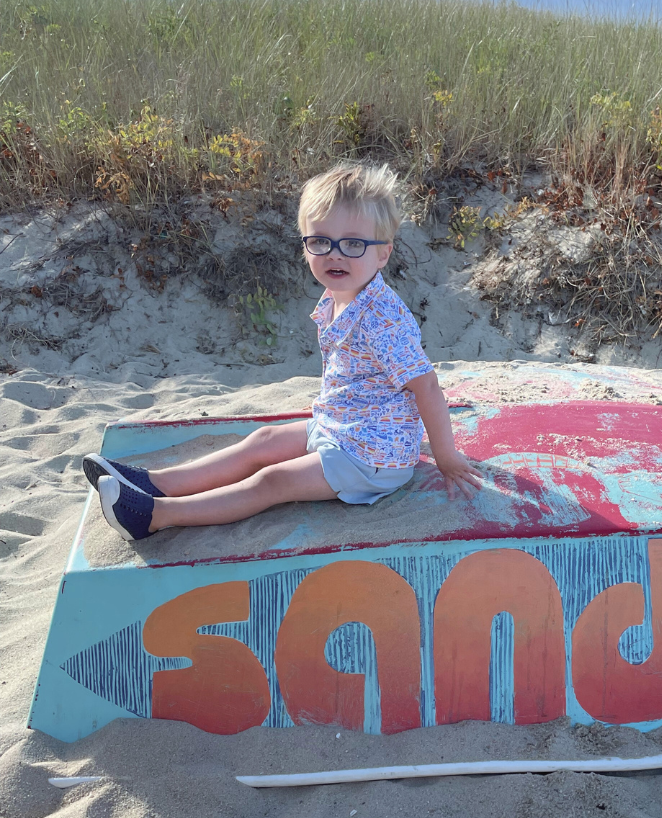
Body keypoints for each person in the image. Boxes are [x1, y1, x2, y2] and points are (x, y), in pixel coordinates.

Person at [83, 162, 482, 542]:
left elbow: (426, 387)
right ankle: (154, 483)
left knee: (272, 481)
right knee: (263, 441)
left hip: (372, 458)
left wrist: (445, 457)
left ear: (383, 253)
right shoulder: (343, 294)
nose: (335, 254)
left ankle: (153, 516)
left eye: (354, 244)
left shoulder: (381, 320)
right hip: (340, 429)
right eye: (321, 241)